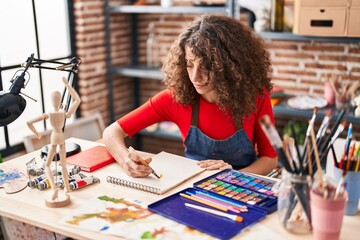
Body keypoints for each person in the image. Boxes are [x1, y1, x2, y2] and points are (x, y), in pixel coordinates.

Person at [103, 14, 278, 178]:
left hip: (242, 187)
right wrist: (126, 159)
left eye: (207, 66)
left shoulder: (256, 97)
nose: (195, 77)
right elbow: (111, 133)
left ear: (231, 66)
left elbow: (270, 158)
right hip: (194, 187)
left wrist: (234, 176)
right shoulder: (174, 98)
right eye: (189, 64)